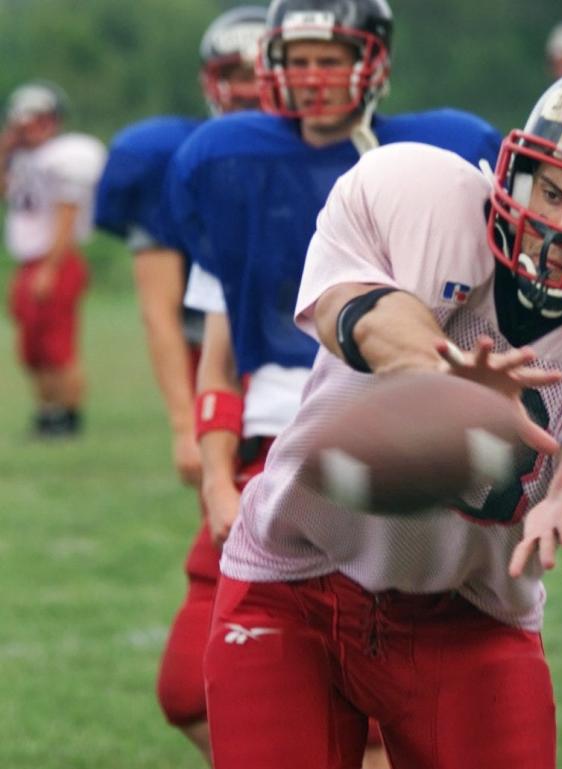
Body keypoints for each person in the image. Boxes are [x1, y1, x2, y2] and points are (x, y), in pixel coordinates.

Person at [199, 62, 562, 769]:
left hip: (470, 614)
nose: (560, 226)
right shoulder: (416, 194)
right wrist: (444, 381)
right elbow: (359, 312)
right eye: (551, 190)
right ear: (517, 171)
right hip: (290, 578)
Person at [167, 1, 502, 765]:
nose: (310, 77)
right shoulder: (231, 163)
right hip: (268, 456)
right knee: (190, 686)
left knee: (383, 702)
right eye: (297, 56)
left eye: (329, 56)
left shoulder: (436, 158)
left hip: (389, 437)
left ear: (374, 58)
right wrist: (217, 482)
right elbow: (221, 361)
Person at [93, 7, 268, 763]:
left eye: (264, 71)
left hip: (309, 420)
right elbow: (164, 315)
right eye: (234, 73)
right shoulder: (178, 159)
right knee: (193, 687)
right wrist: (183, 422)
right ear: (208, 80)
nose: (251, 89)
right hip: (233, 406)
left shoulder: (355, 159)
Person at [2, 81, 105, 438]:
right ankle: (48, 413)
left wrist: (50, 266)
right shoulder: (23, 159)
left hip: (55, 260)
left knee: (58, 345)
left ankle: (69, 416)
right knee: (32, 349)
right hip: (30, 262)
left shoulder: (65, 155)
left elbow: (67, 213)